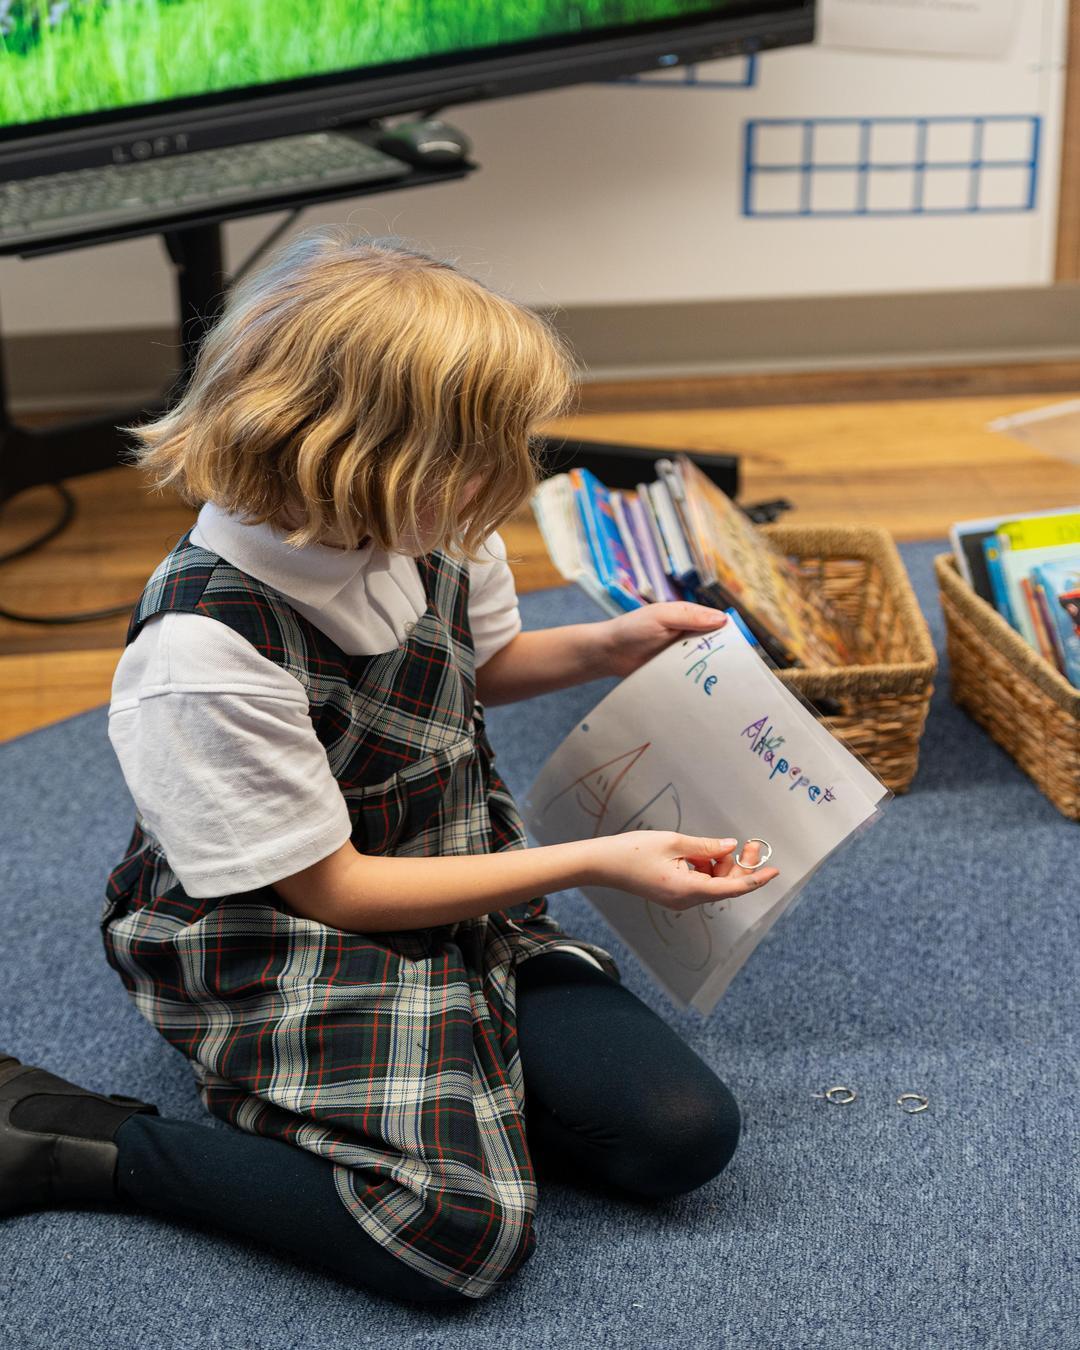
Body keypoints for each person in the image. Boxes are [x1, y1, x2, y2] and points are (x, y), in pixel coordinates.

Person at [0, 228, 781, 1305]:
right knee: (454, 1238)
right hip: (287, 933)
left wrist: (611, 644)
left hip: (454, 886)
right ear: (356, 458)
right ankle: (85, 1142)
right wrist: (595, 860)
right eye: (483, 453)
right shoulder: (202, 654)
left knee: (679, 1137)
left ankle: (438, 1071)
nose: (510, 479)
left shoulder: (433, 528)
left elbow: (479, 665)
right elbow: (334, 890)